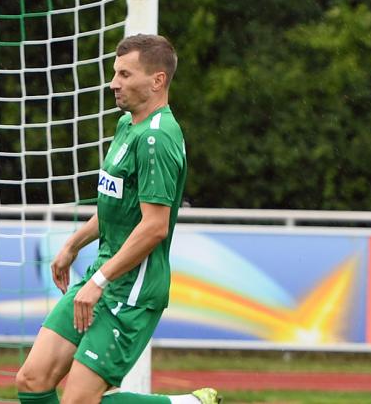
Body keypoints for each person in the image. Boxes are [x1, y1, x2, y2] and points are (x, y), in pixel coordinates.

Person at [14, 35, 219, 404]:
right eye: (115, 73)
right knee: (32, 380)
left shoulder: (158, 138)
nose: (113, 83)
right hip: (104, 273)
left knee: (79, 401)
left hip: (133, 289)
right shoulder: (128, 125)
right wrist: (73, 245)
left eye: (125, 74)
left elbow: (154, 227)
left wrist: (99, 281)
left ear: (157, 80)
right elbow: (115, 206)